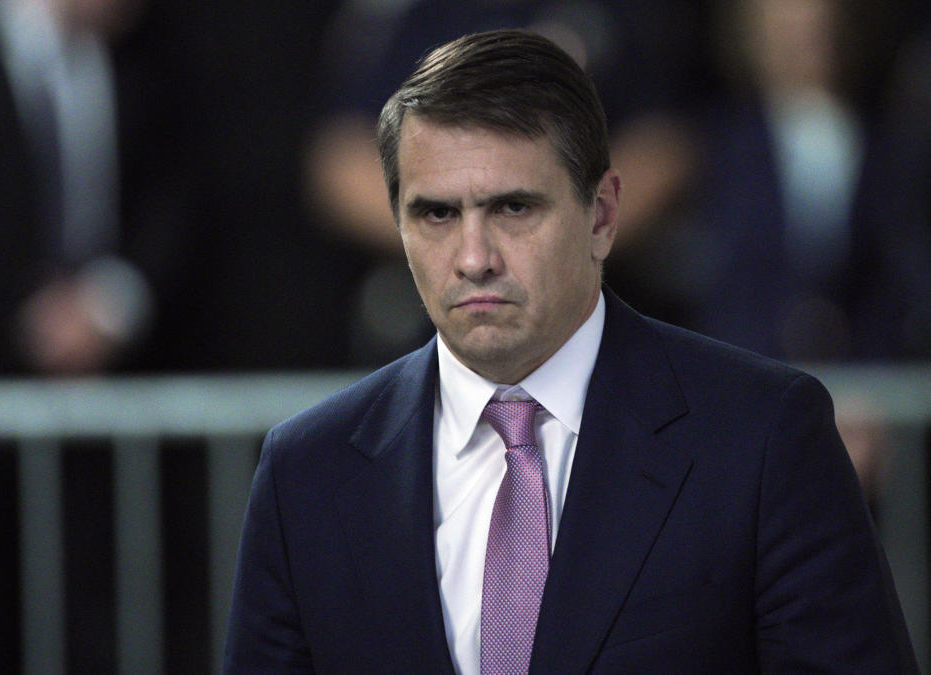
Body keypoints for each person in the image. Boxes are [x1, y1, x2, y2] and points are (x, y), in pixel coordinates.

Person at [224, 29, 917, 673]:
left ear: (603, 214)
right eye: (436, 213)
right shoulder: (304, 474)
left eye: (513, 208)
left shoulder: (764, 437)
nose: (472, 257)